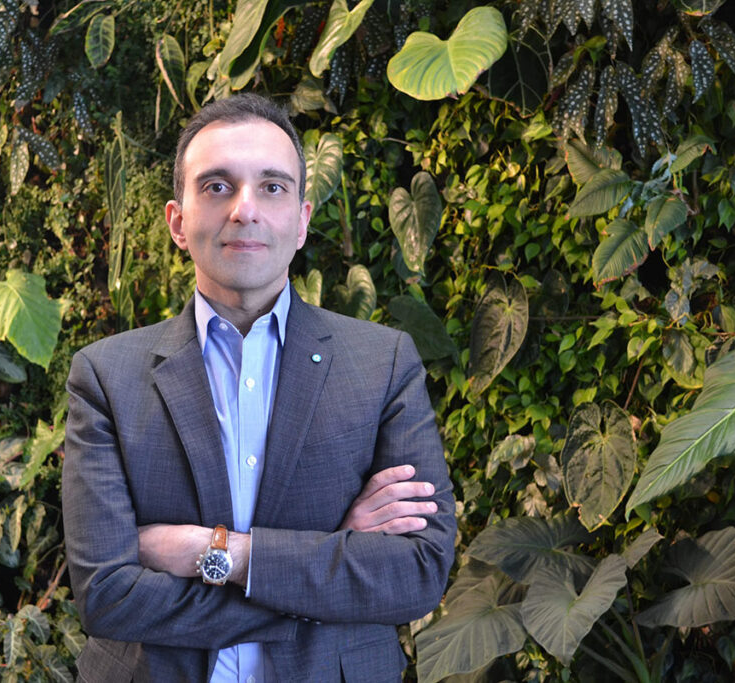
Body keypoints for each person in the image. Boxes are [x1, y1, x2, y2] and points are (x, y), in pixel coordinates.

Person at [62, 93, 456, 682]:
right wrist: (321, 571)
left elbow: (418, 571)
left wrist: (221, 554)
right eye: (217, 186)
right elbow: (108, 595)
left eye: (272, 187)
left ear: (301, 221)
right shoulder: (105, 377)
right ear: (178, 221)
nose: (244, 209)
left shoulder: (381, 364)